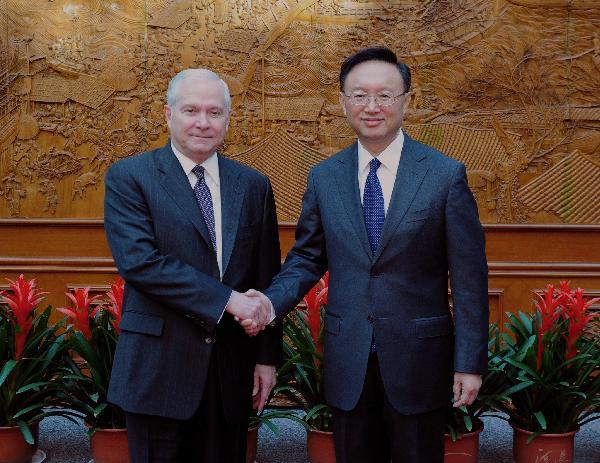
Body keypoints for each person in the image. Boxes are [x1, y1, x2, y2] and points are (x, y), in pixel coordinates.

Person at [247, 47, 489, 462]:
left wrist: (469, 363)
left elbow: (469, 278)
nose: (372, 106)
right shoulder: (325, 177)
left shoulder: (445, 175)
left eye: (385, 95)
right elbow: (307, 258)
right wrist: (269, 302)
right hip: (349, 358)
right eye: (359, 95)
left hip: (419, 359)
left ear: (406, 101)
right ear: (343, 102)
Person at [103, 68, 280, 463]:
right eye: (191, 110)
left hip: (230, 373)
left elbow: (266, 276)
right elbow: (141, 263)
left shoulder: (253, 185)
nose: (203, 122)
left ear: (228, 119)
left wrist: (267, 357)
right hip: (158, 370)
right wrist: (227, 300)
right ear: (168, 115)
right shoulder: (130, 177)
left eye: (215, 112)